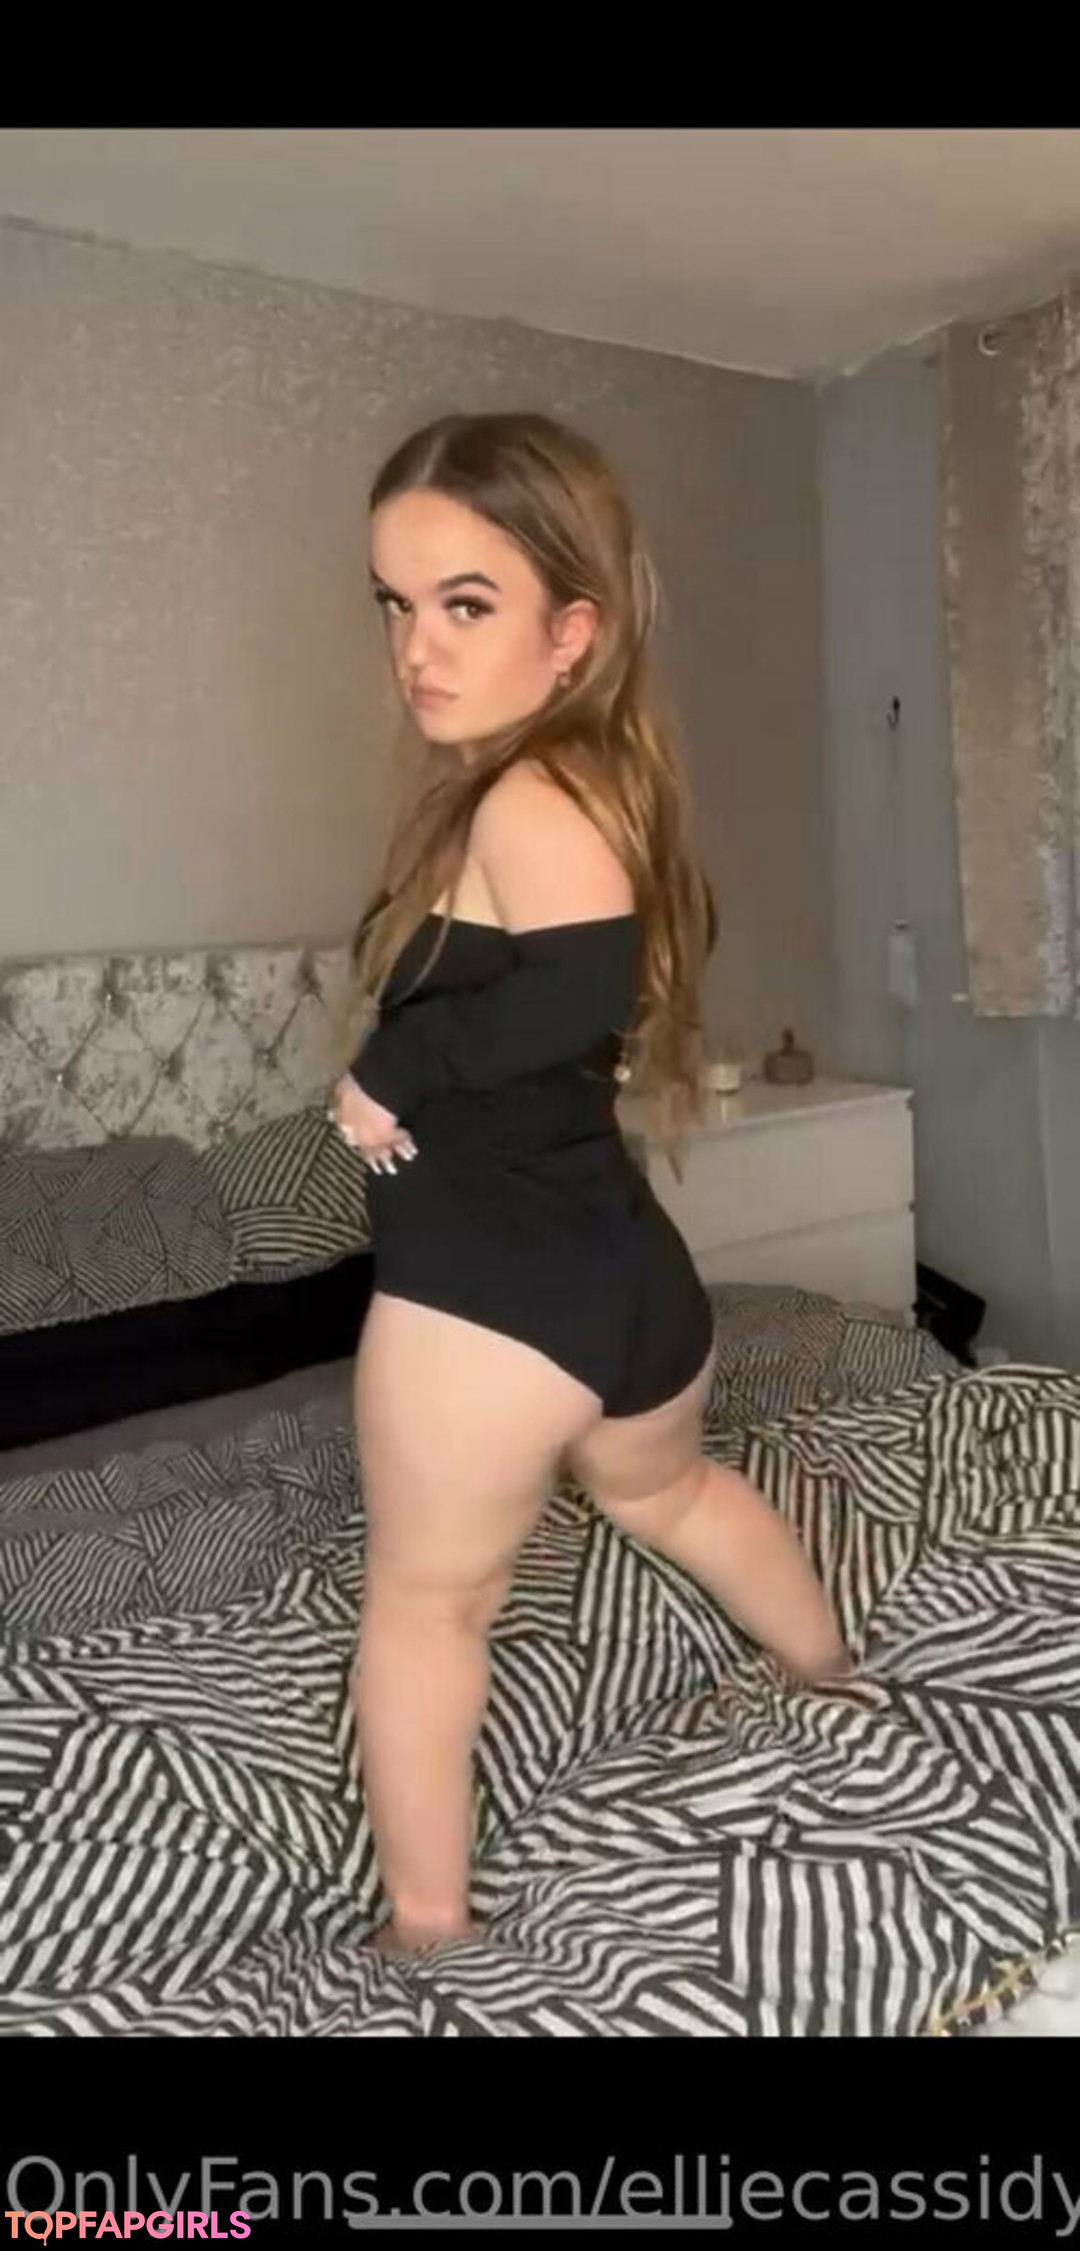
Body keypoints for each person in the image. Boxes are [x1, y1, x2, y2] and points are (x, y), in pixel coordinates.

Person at [329, 413, 850, 1957]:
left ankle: (427, 1934)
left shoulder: (522, 798)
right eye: (396, 604)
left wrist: (390, 1068)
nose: (417, 647)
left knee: (426, 1604)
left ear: (573, 630)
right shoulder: (593, 783)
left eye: (465, 603)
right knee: (669, 1491)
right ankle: (838, 1683)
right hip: (627, 1286)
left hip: (489, 1298)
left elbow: (574, 992)